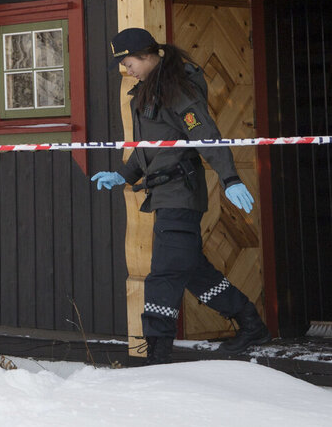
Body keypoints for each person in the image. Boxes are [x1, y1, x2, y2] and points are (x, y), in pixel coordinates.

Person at [90, 27, 269, 363]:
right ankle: (250, 323)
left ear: (146, 54)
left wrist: (230, 178)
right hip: (163, 194)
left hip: (180, 194)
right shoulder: (147, 91)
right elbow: (150, 148)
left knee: (165, 272)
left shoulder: (177, 90)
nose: (126, 70)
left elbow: (204, 134)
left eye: (128, 62)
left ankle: (157, 352)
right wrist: (123, 174)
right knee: (190, 269)